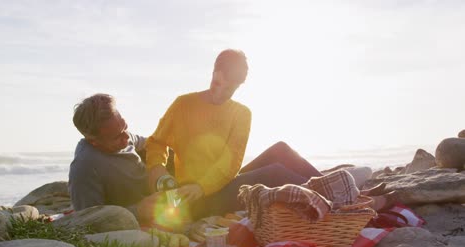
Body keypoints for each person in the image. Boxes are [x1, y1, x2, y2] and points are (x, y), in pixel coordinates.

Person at [145, 49, 395, 221]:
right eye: (220, 84)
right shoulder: (183, 105)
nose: (224, 93)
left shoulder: (242, 113)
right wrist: (157, 170)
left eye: (233, 88)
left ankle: (341, 193)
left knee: (281, 150)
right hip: (195, 198)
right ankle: (347, 202)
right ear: (213, 72)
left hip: (219, 183)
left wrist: (203, 185)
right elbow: (156, 143)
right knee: (275, 172)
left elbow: (231, 162)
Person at [68, 93, 172, 225]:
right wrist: (138, 211)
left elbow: (153, 144)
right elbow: (89, 221)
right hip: (134, 220)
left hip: (160, 199)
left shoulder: (122, 135)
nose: (127, 138)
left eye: (125, 127)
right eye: (117, 137)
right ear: (94, 141)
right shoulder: (84, 167)